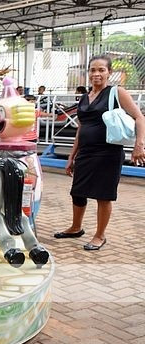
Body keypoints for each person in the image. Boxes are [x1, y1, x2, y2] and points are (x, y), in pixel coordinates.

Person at [54, 54, 145, 250]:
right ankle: (76, 228)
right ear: (88, 73)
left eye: (101, 70)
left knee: (103, 195)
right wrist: (72, 155)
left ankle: (100, 235)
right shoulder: (84, 97)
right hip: (85, 153)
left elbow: (139, 117)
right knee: (77, 192)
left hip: (108, 153)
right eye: (93, 70)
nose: (96, 74)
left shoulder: (116, 92)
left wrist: (139, 145)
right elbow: (81, 128)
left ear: (109, 72)